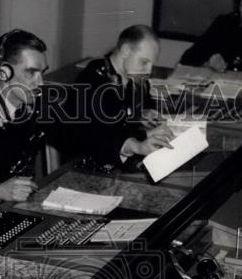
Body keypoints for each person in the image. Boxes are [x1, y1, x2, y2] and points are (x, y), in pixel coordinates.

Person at [0, 29, 171, 231]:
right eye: (31, 73)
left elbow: (80, 134)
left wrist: (133, 145)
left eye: (42, 73)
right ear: (3, 72)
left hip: (16, 212)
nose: (40, 83)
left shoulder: (37, 105)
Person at [74, 24, 174, 170]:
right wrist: (137, 144)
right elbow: (93, 136)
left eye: (152, 64)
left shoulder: (135, 77)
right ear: (126, 50)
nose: (149, 71)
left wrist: (147, 116)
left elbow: (143, 107)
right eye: (144, 62)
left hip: (125, 160)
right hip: (92, 165)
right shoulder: (92, 80)